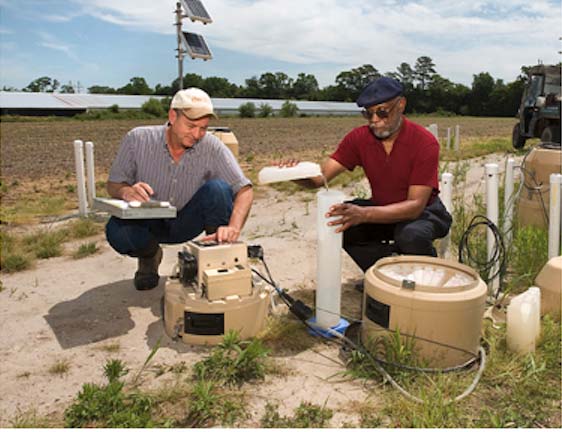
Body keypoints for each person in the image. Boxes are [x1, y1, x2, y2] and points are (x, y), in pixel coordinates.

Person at [288, 77, 452, 273]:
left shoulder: (424, 142)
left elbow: (414, 207)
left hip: (424, 213)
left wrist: (363, 214)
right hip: (382, 209)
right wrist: (291, 172)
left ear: (401, 105)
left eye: (382, 112)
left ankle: (429, 279)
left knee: (410, 235)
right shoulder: (358, 139)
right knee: (341, 223)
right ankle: (385, 277)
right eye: (368, 113)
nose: (374, 121)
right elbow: (319, 179)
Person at [105, 88, 253, 290]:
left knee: (218, 189)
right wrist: (126, 191)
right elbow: (113, 184)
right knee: (117, 231)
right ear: (173, 116)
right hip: (147, 222)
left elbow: (244, 189)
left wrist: (233, 228)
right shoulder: (137, 139)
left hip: (187, 220)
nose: (197, 134)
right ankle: (149, 256)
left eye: (203, 128)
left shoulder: (212, 146)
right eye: (191, 125)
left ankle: (215, 259)